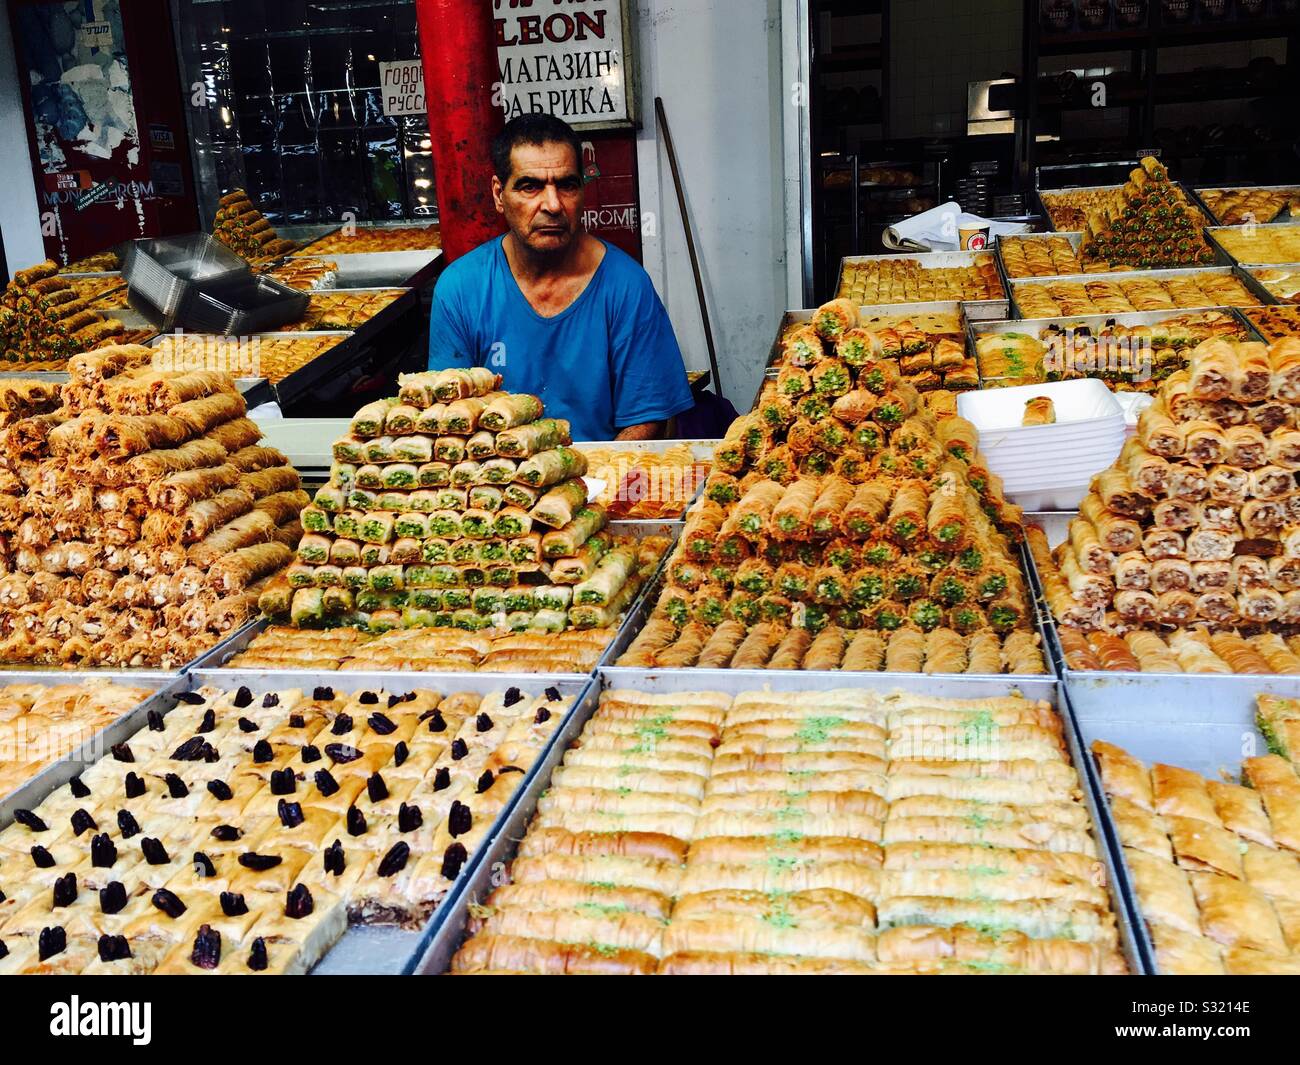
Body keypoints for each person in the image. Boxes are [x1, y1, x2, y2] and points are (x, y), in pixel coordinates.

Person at [426, 113, 694, 441]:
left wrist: (596, 473)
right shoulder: (460, 288)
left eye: (567, 185)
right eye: (530, 186)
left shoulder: (626, 286)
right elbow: (450, 416)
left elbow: (648, 420)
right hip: (497, 470)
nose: (553, 205)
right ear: (498, 195)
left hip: (605, 469)